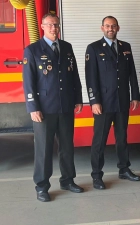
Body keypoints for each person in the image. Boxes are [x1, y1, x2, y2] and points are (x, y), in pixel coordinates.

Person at [22, 13, 84, 202]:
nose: (54, 28)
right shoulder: (32, 50)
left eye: (56, 25)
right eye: (50, 25)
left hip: (65, 106)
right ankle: (42, 186)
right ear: (42, 26)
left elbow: (74, 75)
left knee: (67, 147)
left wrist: (78, 98)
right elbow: (29, 82)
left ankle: (67, 180)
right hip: (44, 110)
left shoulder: (66, 47)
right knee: (44, 149)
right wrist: (33, 107)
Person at [85, 16, 140, 190]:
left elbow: (131, 73)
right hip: (103, 103)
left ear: (118, 27)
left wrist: (135, 96)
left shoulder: (126, 47)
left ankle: (124, 169)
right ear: (102, 28)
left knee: (122, 137)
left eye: (113, 26)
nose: (111, 28)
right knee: (99, 141)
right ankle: (96, 175)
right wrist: (94, 101)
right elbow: (90, 77)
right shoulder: (93, 48)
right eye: (107, 26)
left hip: (122, 101)